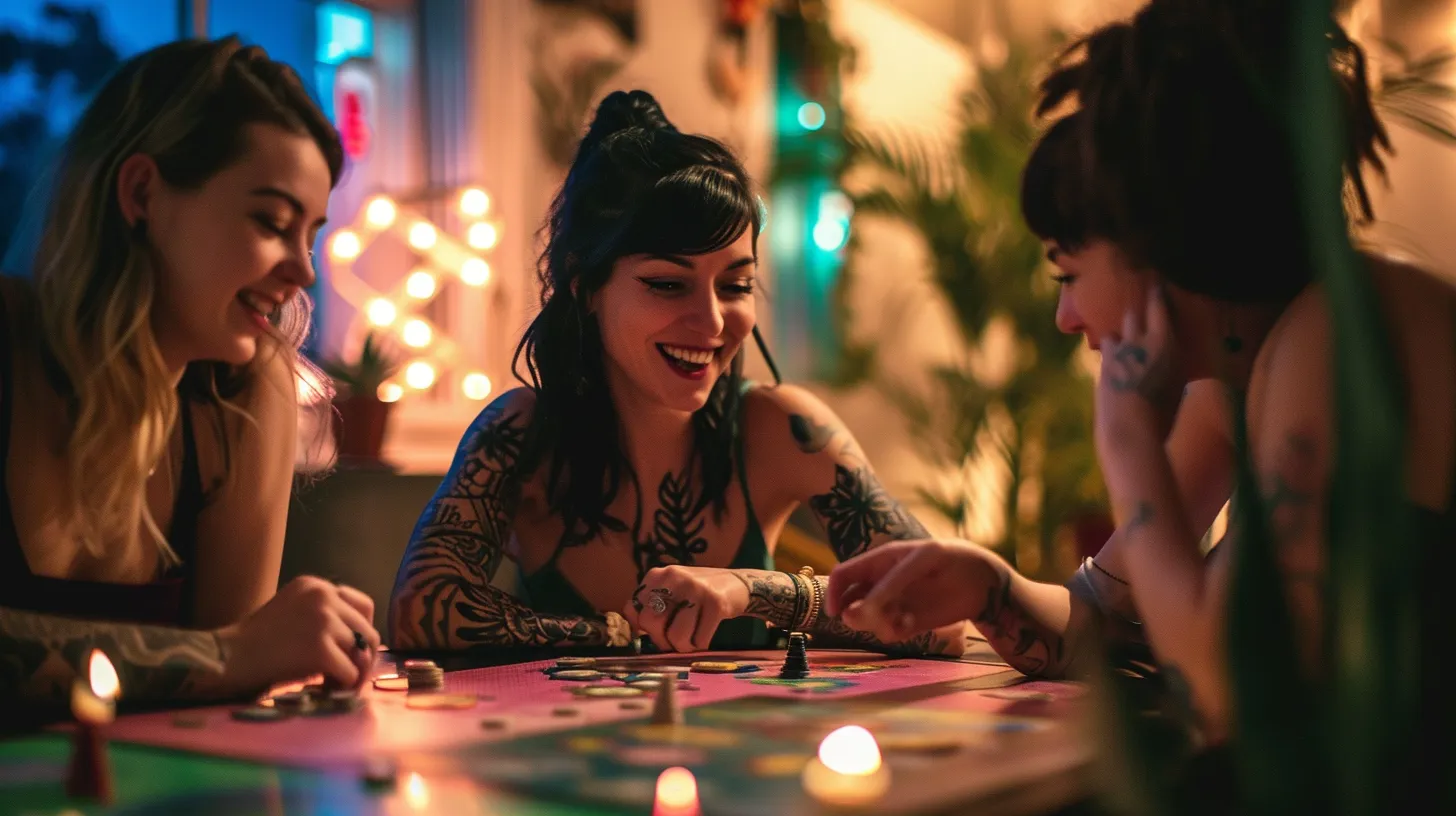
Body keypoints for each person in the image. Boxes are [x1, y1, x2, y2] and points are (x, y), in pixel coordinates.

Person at [829, 0, 1452, 740]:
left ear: (1148, 244)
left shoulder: (1334, 330)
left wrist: (1127, 442)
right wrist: (988, 587)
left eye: (1067, 273)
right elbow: (1103, 614)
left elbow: (1234, 694)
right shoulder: (1237, 383)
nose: (1065, 317)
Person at [389, 90, 965, 656]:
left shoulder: (782, 426)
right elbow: (421, 608)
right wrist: (612, 634)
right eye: (668, 283)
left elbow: (945, 616)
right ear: (583, 285)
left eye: (736, 285)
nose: (712, 320)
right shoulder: (522, 435)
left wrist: (754, 591)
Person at [0, 37, 380, 707]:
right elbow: (231, 656)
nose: (305, 271)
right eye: (272, 221)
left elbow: (225, 700)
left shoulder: (242, 392)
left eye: (311, 232)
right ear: (142, 191)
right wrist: (234, 652)